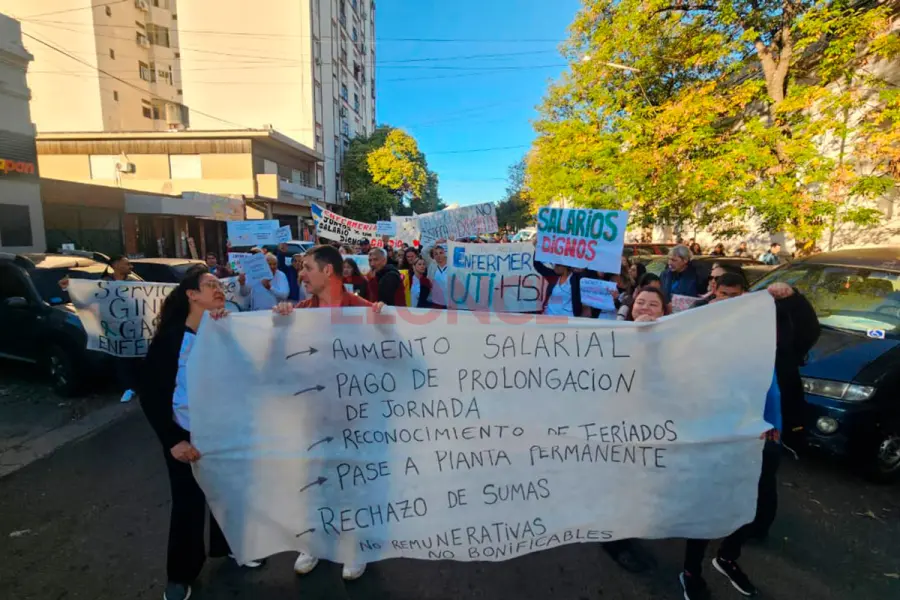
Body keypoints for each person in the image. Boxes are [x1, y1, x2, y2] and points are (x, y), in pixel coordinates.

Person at [679, 278, 819, 600]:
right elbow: (663, 350)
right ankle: (690, 571)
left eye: (736, 299)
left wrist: (794, 296)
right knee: (708, 507)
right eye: (722, 298)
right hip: (713, 436)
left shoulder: (769, 334)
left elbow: (808, 331)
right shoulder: (697, 334)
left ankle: (727, 557)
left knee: (751, 503)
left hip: (765, 433)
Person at [140, 267, 264, 600]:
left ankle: (232, 547)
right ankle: (180, 574)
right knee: (188, 504)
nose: (218, 288)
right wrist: (173, 441)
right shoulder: (170, 340)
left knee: (229, 493)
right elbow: (151, 396)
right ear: (192, 295)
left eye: (220, 285)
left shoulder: (222, 330)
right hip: (186, 435)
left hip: (223, 432)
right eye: (210, 285)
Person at [272, 245, 383, 581]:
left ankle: (354, 548)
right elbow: (276, 359)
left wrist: (386, 324)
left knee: (353, 484)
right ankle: (315, 544)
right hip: (314, 416)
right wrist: (275, 326)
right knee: (314, 482)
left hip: (355, 417)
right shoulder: (300, 311)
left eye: (306, 267)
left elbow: (393, 355)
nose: (300, 274)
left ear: (328, 272)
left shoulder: (362, 309)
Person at [423, 241, 450, 309]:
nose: (438, 255)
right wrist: (436, 242)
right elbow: (423, 251)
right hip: (434, 302)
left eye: (441, 253)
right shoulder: (431, 264)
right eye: (436, 254)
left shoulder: (451, 265)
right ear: (433, 256)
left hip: (449, 303)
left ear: (445, 253)